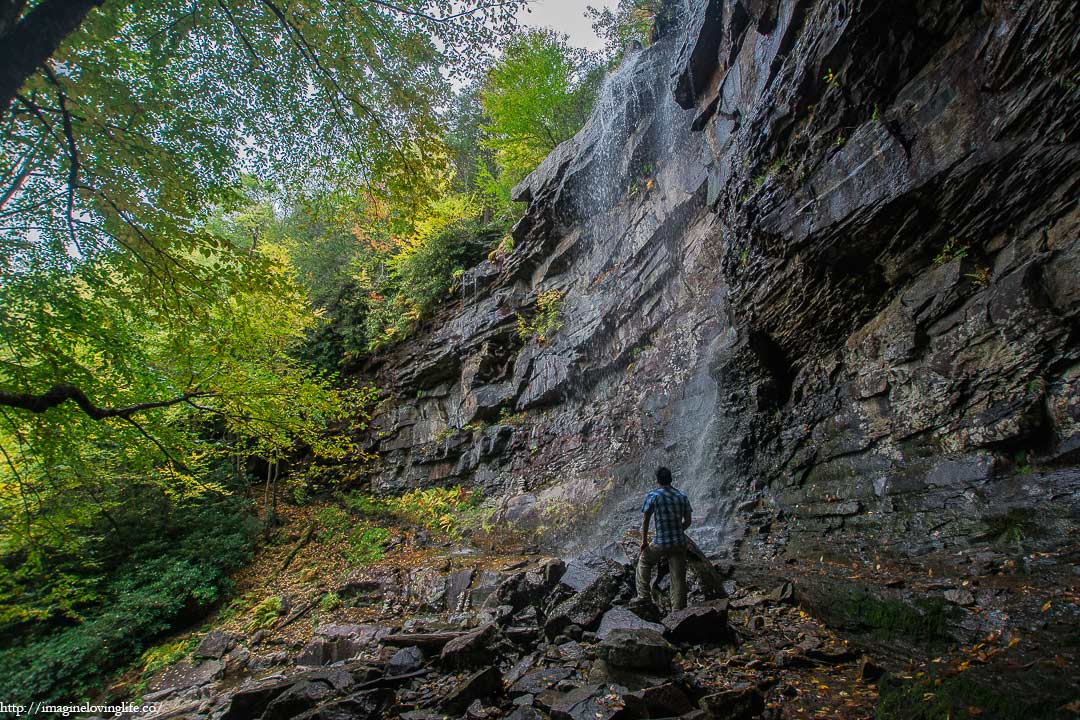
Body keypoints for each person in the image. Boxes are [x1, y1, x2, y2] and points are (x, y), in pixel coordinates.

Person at [635, 466, 692, 611]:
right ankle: (678, 611)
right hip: (679, 542)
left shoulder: (653, 496)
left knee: (644, 561)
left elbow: (646, 519)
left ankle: (644, 597)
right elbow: (688, 521)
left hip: (661, 542)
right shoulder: (682, 496)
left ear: (658, 480)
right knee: (678, 578)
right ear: (671, 479)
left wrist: (644, 542)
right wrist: (678, 531)